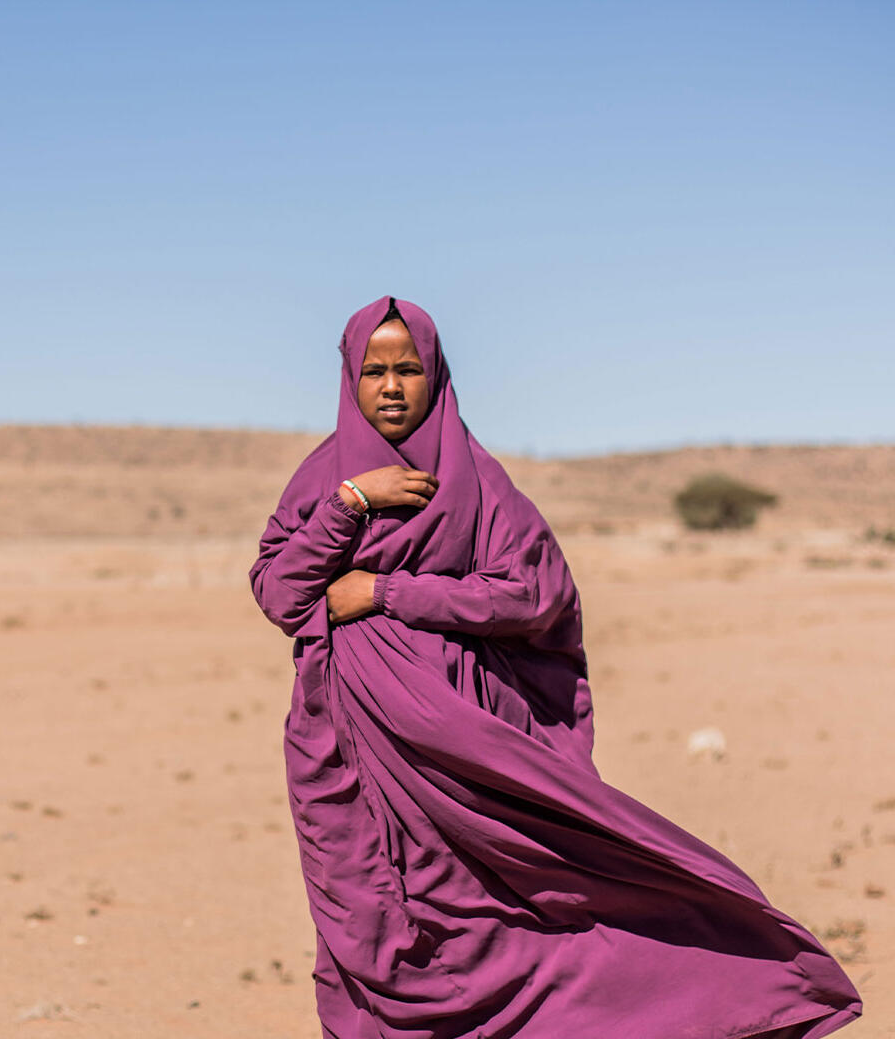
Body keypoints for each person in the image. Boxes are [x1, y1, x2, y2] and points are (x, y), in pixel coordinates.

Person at [249, 295, 863, 1038]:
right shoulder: (323, 479)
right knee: (362, 912)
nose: (390, 386)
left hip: (462, 741)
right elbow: (284, 594)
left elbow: (534, 594)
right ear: (349, 378)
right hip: (344, 744)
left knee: (493, 912)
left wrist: (388, 590)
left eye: (407, 369)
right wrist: (353, 501)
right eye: (373, 370)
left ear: (435, 374)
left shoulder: (476, 482)